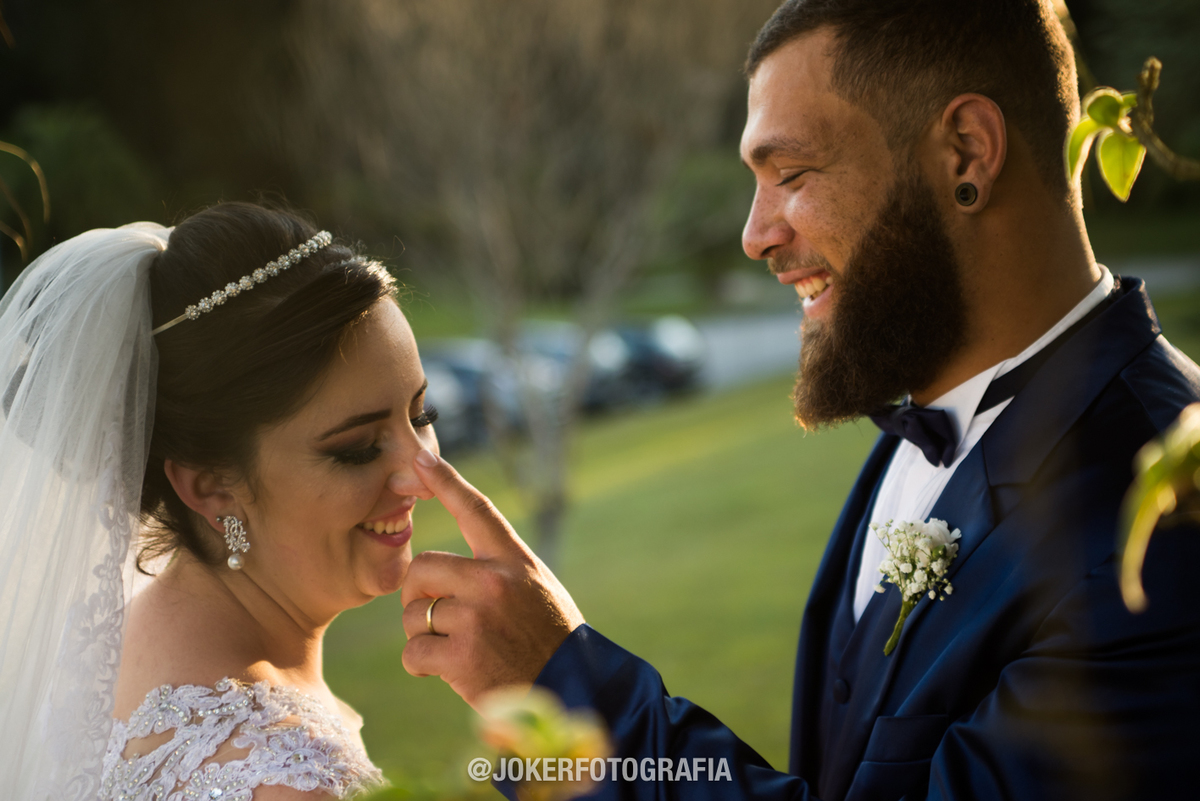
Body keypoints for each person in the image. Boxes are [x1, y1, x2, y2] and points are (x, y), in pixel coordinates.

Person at [397, 1, 1200, 799]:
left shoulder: (1160, 527)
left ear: (966, 152)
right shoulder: (921, 420)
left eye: (791, 174)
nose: (755, 235)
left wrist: (565, 694)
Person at [0, 202, 441, 799]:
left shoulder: (101, 648)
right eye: (358, 449)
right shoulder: (288, 780)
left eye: (422, 415)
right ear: (212, 486)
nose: (425, 474)